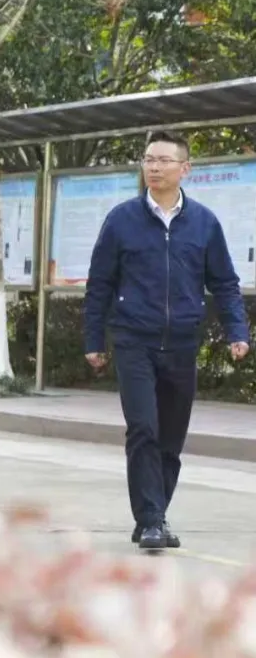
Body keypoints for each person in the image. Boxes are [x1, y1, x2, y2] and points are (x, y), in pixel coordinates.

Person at [84, 130, 249, 551]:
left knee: (171, 439)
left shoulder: (204, 223)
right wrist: (93, 339)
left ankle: (151, 515)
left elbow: (224, 282)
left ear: (184, 168)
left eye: (163, 160)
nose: (154, 167)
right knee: (143, 428)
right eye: (148, 159)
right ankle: (153, 520)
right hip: (134, 340)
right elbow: (100, 284)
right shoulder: (121, 220)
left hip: (182, 343)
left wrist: (237, 331)